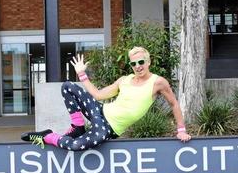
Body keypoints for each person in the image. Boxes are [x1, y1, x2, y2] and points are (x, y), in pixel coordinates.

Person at [21, 46, 191, 150]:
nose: (138, 67)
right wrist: (81, 73)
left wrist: (181, 130)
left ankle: (47, 137)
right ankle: (78, 126)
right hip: (99, 111)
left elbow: (174, 104)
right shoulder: (124, 80)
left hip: (108, 129)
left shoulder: (158, 82)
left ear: (148, 62)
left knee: (75, 146)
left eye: (141, 62)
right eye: (133, 64)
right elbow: (98, 95)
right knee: (68, 86)